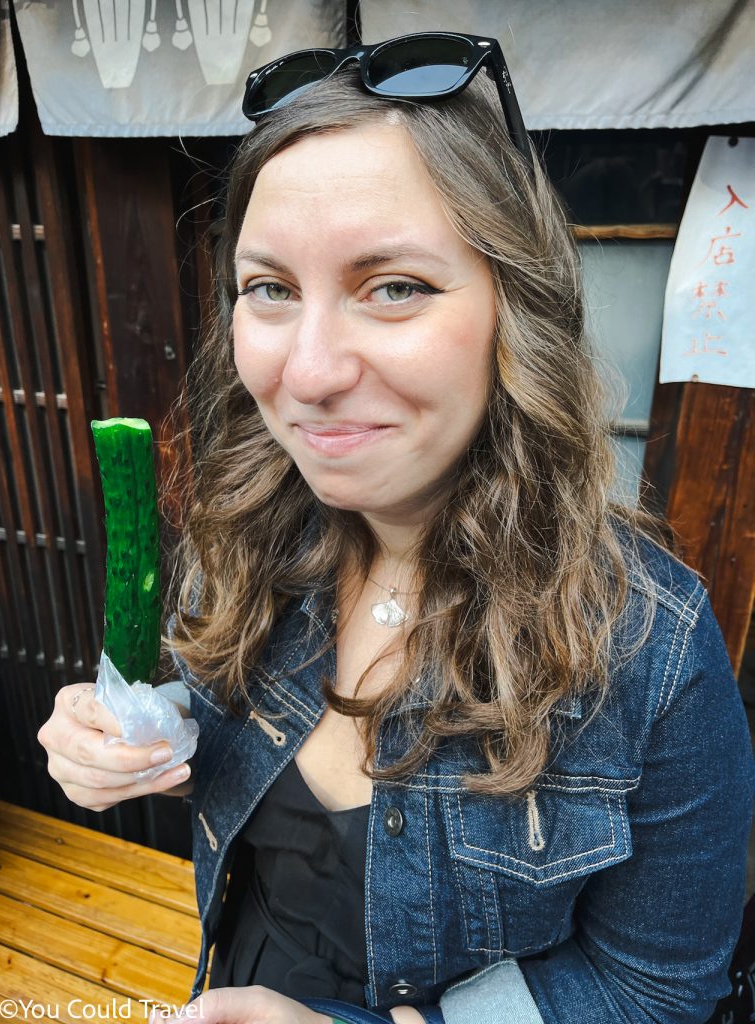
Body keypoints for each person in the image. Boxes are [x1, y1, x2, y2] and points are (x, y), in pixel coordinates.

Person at [37, 31, 755, 1024]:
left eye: (395, 287)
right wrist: (132, 737)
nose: (314, 370)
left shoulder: (652, 648)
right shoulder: (239, 540)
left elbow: (660, 986)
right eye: (271, 289)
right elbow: (218, 743)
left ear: (516, 304)